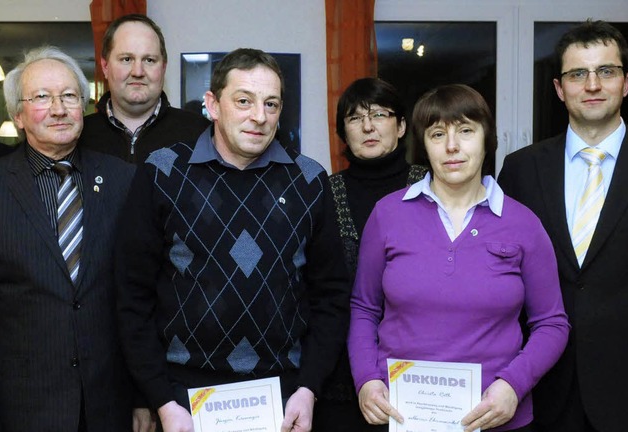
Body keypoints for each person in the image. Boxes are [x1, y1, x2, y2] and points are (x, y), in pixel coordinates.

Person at [116, 48, 350, 432]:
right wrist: (159, 398)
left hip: (283, 395)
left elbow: (332, 296)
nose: (259, 116)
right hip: (183, 397)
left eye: (271, 104)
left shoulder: (309, 180)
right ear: (213, 104)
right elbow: (131, 296)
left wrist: (309, 388)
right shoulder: (162, 173)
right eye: (244, 101)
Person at [348, 84, 570, 432]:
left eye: (466, 131)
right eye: (438, 134)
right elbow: (364, 308)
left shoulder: (523, 223)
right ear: (424, 144)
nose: (452, 146)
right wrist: (366, 379)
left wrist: (513, 385)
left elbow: (552, 323)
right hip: (403, 416)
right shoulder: (388, 214)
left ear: (486, 139)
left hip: (496, 418)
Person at [498, 20, 628, 432]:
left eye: (605, 71)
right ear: (560, 88)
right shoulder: (521, 169)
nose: (592, 84)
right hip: (541, 388)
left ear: (626, 82)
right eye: (578, 74)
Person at [0, 46, 143, 431]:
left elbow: (142, 293)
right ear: (18, 115)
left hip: (110, 405)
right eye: (42, 98)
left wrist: (145, 396)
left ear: (85, 105)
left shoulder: (123, 180)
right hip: (22, 407)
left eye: (69, 96)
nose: (58, 109)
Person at [312, 77, 426, 432]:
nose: (368, 126)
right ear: (343, 132)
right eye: (354, 117)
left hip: (423, 370)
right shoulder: (323, 193)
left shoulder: (432, 186)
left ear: (402, 125)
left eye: (379, 114)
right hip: (340, 372)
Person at [80, 14, 210, 163]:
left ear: (163, 68)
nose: (138, 72)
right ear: (105, 67)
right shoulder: (79, 136)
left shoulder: (200, 134)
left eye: (149, 60)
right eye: (126, 59)